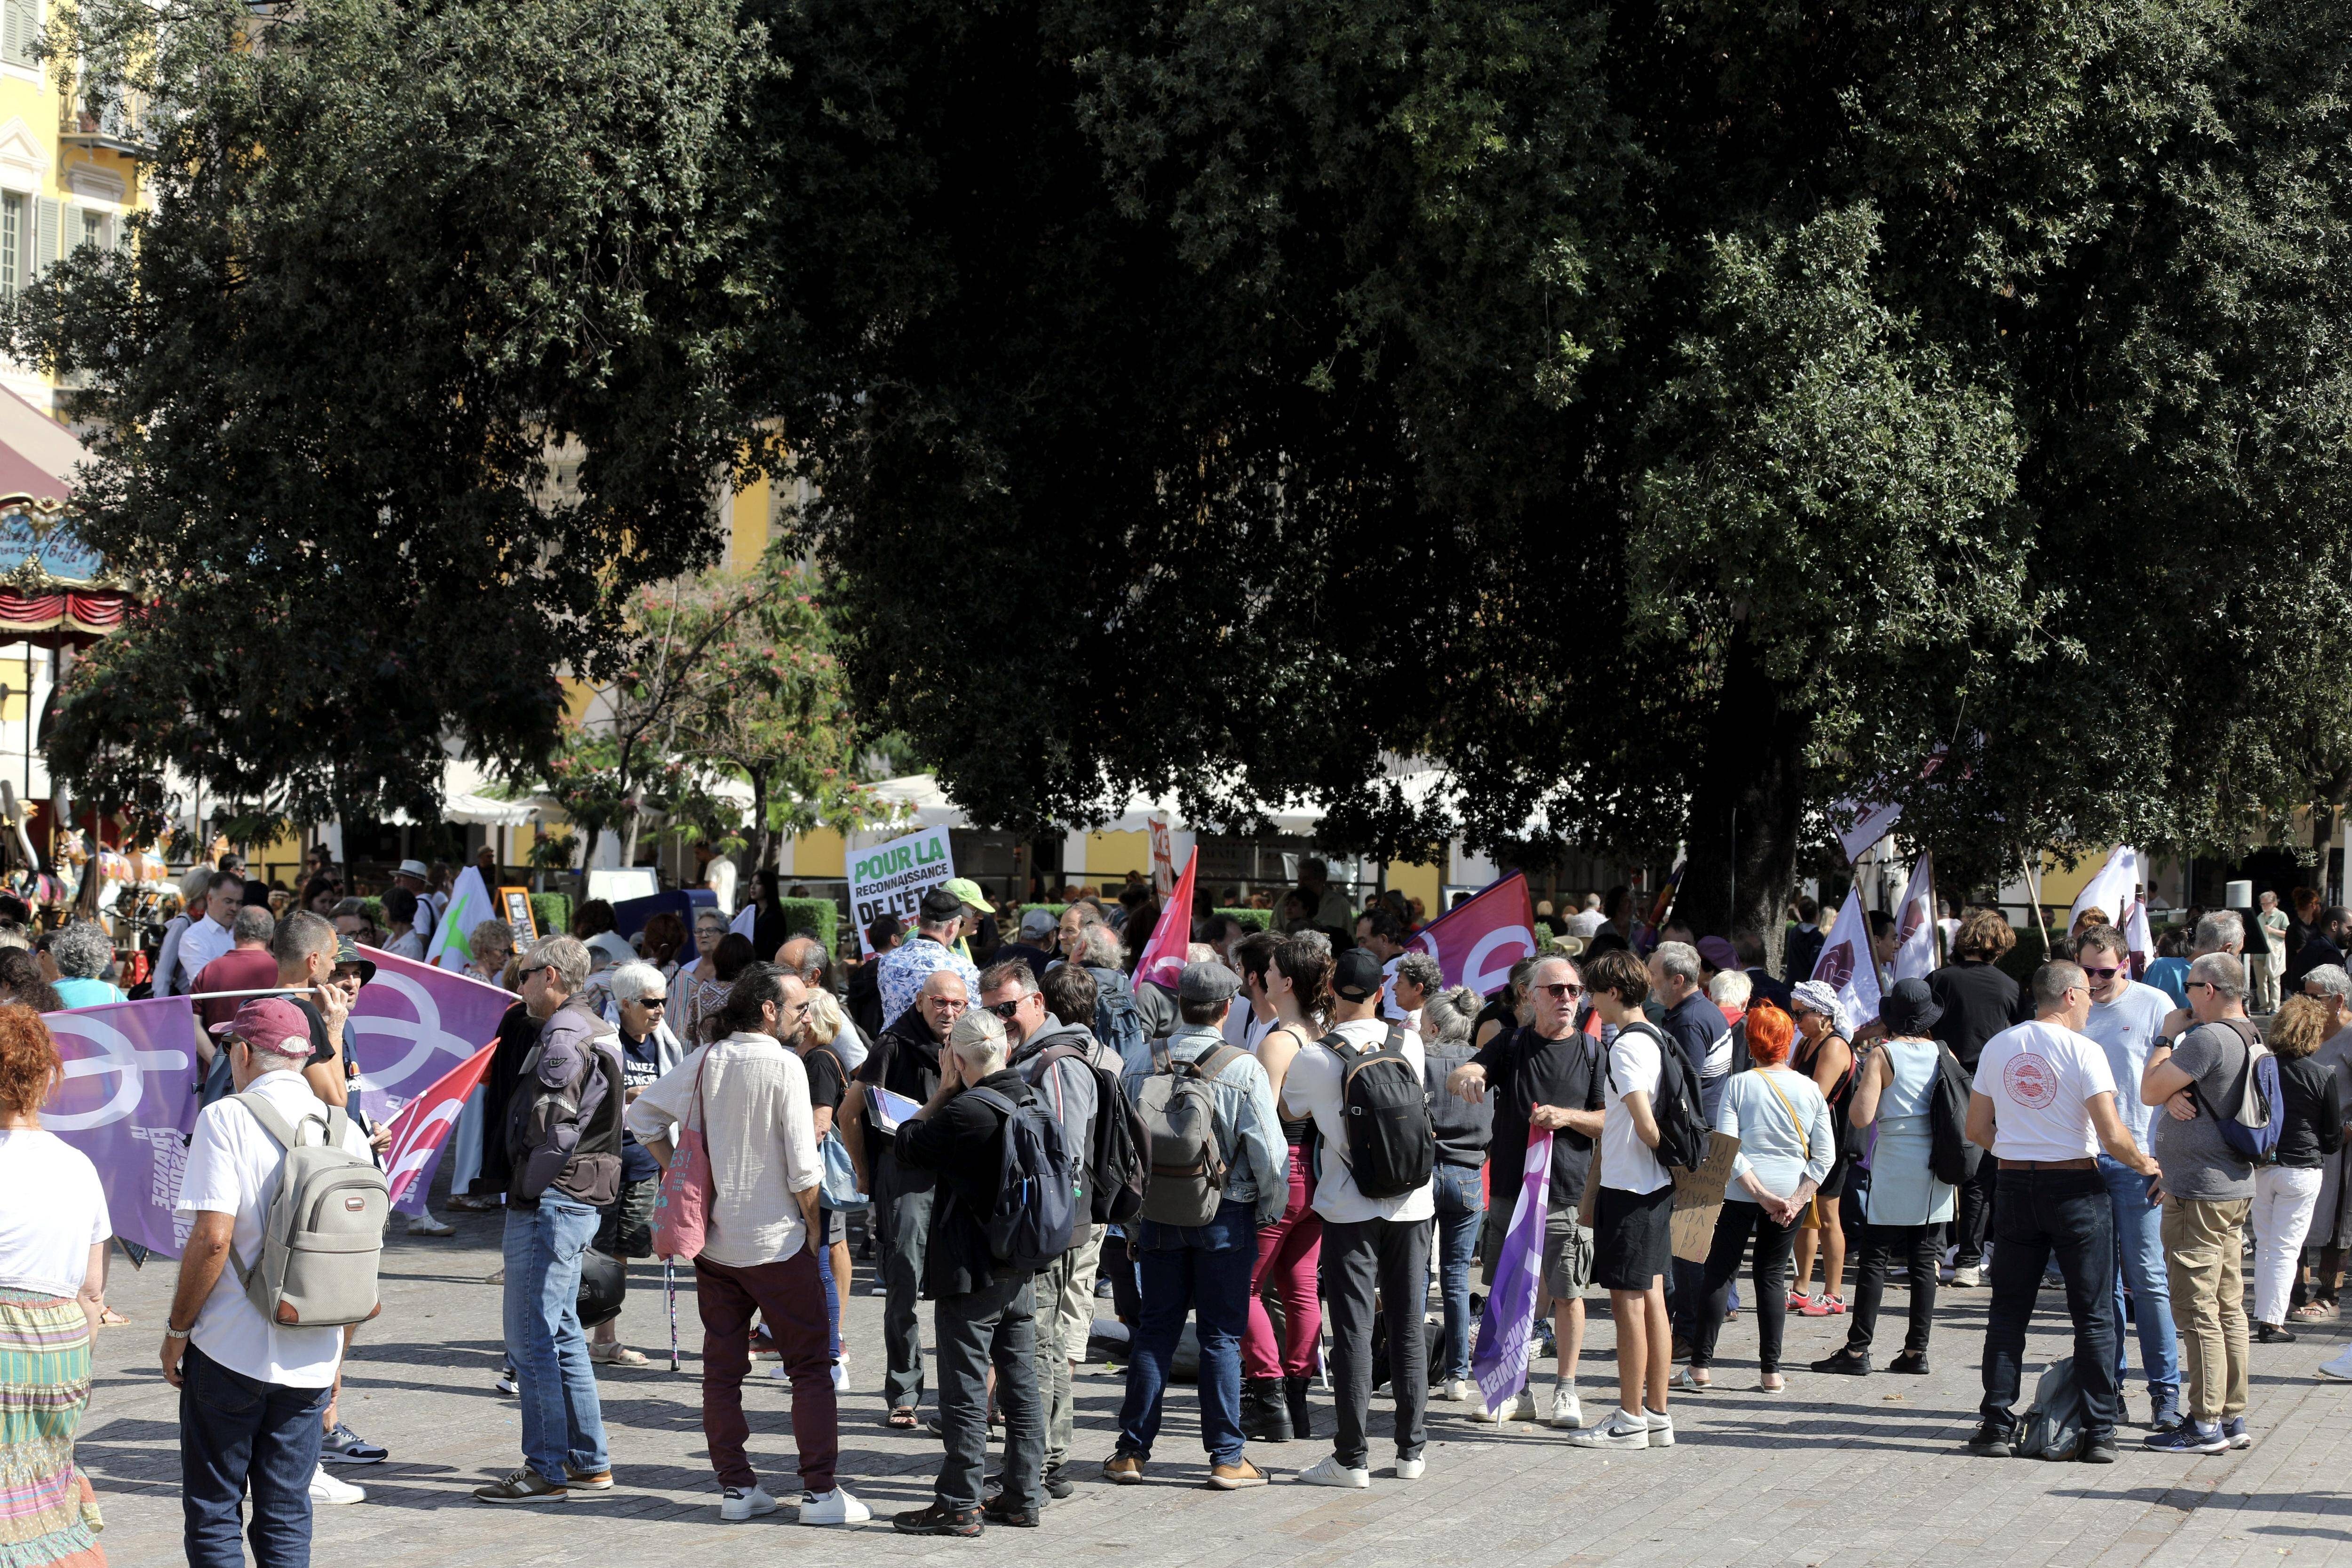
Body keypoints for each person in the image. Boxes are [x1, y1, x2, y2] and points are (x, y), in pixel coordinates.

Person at [628, 965, 869, 1526]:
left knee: (722, 1371)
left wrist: (678, 1170)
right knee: (811, 1367)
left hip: (715, 1243)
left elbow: (641, 1116)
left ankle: (737, 1488)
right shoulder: (782, 1064)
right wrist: (814, 1231)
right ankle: (819, 1494)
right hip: (776, 1240)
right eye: (799, 1008)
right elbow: (803, 1169)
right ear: (768, 1009)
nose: (805, 1018)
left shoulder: (708, 1057)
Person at [167, 997, 378, 1558]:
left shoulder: (226, 1118)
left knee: (214, 1508)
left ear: (241, 1054)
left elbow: (213, 1239)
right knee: (287, 1511)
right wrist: (339, 1355)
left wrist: (177, 1331)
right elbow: (358, 1262)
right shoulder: (348, 1132)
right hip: (314, 1347)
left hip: (230, 1342)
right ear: (304, 1057)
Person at [1964, 960, 2158, 1463]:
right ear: (2070, 995)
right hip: (2074, 1185)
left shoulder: (1999, 1045)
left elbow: (1976, 1128)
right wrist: (2146, 1164)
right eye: (2088, 992)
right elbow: (2112, 1134)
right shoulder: (2084, 1050)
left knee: (2008, 1311)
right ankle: (2099, 1431)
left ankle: (1995, 1424)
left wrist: (2017, 1148)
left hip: (2014, 1183)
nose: (2092, 1000)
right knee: (2093, 1313)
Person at [1101, 961, 1284, 1491]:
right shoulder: (1242, 1067)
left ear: (1179, 1003)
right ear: (1227, 1008)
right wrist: (1267, 1211)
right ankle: (1226, 1458)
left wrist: (1133, 1224)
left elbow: (1126, 1150)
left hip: (1159, 1213)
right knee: (1220, 1336)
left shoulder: (1142, 1060)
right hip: (1225, 1212)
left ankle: (1130, 1453)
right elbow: (1270, 1154)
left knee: (1155, 1330)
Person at [475, 935, 621, 1504]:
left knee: (532, 1335)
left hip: (553, 1199)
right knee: (559, 1331)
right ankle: (587, 1460)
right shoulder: (593, 1025)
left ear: (551, 976)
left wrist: (529, 1187)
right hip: (576, 1195)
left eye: (525, 974)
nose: (519, 984)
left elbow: (554, 1131)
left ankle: (545, 1469)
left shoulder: (564, 1034)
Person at [1282, 948, 1436, 1486]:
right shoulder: (1408, 1043)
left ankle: (1351, 1458)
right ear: (1380, 992)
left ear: (1330, 993)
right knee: (1407, 1325)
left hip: (1349, 1205)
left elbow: (1290, 1109)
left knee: (1352, 1328)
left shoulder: (1315, 1057)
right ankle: (1411, 1453)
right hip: (1412, 1202)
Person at [889, 1010, 1046, 1536]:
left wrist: (942, 1091)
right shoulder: (1032, 1100)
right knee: (1021, 1383)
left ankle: (959, 1503)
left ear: (955, 1057)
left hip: (970, 1269)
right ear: (1005, 1048)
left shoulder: (965, 1111)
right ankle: (1023, 1495)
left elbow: (907, 1143)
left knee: (964, 1388)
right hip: (1020, 1262)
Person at [1446, 953, 1602, 1426]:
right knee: (1510, 1292)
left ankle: (1566, 1391)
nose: (1567, 998)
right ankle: (1517, 1391)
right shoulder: (1511, 1043)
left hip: (1565, 1194)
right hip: (1510, 1193)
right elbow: (1461, 1074)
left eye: (1574, 990)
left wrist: (1566, 1117)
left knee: (1567, 1294)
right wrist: (1469, 1076)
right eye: (1556, 990)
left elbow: (1610, 1119)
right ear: (1530, 996)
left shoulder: (1593, 1051)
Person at [984, 958, 1100, 1498]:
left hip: (1049, 1229)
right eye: (991, 1011)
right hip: (1041, 1226)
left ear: (1037, 1002)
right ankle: (1043, 1460)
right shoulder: (1031, 1056)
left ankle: (1042, 1462)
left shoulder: (1056, 1063)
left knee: (1037, 1345)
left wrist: (1043, 1227)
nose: (1000, 1019)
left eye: (1007, 1008)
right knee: (1038, 1344)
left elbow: (1064, 1161)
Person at [0, 1006, 109, 1568]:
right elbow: (92, 1291)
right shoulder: (78, 1166)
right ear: (46, 1078)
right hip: (63, 1345)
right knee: (45, 1493)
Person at [2140, 951, 2260, 1455]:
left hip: (2199, 1193)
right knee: (2228, 1306)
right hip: (2230, 1187)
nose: (2184, 996)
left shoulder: (2207, 1038)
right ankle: (2230, 1416)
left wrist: (2165, 1037)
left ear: (2208, 990)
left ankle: (2204, 1423)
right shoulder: (2249, 1032)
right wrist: (2175, 1093)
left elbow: (2149, 1088)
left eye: (2189, 986)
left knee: (2196, 1310)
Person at [1685, 1001, 1829, 1392]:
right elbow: (1825, 1156)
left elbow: (1727, 1147)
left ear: (1751, 1043)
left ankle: (1700, 1367)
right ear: (1788, 1041)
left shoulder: (1739, 1084)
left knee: (1720, 1272)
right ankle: (1772, 1372)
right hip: (1790, 1191)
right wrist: (1795, 1199)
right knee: (1772, 1276)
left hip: (1741, 1190)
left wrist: (1761, 1194)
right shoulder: (1810, 1088)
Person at [1814, 979, 1955, 1377]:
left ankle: (1858, 1349)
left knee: (1875, 1257)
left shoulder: (1883, 1055)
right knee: (1924, 1260)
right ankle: (1916, 1350)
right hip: (1936, 1166)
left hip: (1895, 1161)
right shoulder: (1944, 1052)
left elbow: (1861, 1117)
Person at [2073, 923, 2184, 1429]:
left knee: (2149, 1280)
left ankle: (2165, 1394)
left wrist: (2167, 1160)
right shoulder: (2074, 1006)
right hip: (2085, 1159)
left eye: (2103, 972)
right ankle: (2109, 1389)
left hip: (2140, 1161)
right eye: (2086, 971)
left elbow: (2183, 1077)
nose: (2094, 981)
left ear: (2125, 964)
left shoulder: (2154, 1004)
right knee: (2102, 1285)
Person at [847, 966, 967, 1429]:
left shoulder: (969, 1041)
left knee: (959, 1286)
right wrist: (865, 1173)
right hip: (905, 1174)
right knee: (903, 1283)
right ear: (920, 1001)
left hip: (954, 1175)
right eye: (939, 1002)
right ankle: (903, 1392)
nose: (948, 1011)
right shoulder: (893, 1043)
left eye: (957, 1004)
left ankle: (961, 1396)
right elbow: (849, 1111)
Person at [1567, 947, 1676, 1452]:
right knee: (1651, 1300)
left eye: (1592, 991)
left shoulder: (1627, 1046)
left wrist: (1664, 1154)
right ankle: (1656, 1414)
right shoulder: (1656, 1036)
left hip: (1632, 1189)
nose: (1589, 1000)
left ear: (1613, 992)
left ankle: (1630, 1418)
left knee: (1628, 1305)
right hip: (1646, 1188)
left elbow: (1645, 1126)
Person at [1234, 934, 1326, 1442]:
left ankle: (1269, 1396)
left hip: (1284, 1171)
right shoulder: (1323, 1033)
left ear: (1287, 982)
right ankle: (1297, 1400)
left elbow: (1262, 1122)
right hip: (1318, 1174)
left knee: (1241, 1286)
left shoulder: (1279, 1040)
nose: (1263, 975)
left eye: (1270, 969)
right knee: (1300, 1287)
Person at [588, 961, 685, 1366]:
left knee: (623, 1252)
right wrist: (627, 1094)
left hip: (645, 1163)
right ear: (625, 1003)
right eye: (650, 1002)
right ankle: (577, 1335)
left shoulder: (666, 1043)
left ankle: (604, 1339)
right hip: (603, 1161)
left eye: (663, 1000)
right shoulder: (603, 1040)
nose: (660, 1009)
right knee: (594, 1252)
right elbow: (585, 1094)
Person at [1931, 909, 2023, 1287]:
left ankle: (1931, 1255)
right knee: (1980, 1177)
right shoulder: (2010, 987)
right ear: (2000, 947)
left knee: (1936, 1168)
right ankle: (1969, 1260)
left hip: (1941, 1082)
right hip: (1989, 1087)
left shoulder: (1940, 979)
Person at [2250, 995, 2341, 1343]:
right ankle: (2272, 1322)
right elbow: (2331, 1138)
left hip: (2263, 1164)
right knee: (2287, 1247)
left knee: (2266, 1244)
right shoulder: (2322, 1075)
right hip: (2303, 1168)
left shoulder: (2261, 1068)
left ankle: (2264, 1313)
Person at [1420, 984, 1491, 1404]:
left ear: (1433, 1025)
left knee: (1417, 1275)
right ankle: (1457, 1374)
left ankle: (1412, 1368)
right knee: (1457, 1278)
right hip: (1468, 1173)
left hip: (1423, 1173)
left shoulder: (1420, 1059)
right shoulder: (1483, 1064)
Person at [796, 987, 865, 1390]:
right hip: (814, 1174)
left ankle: (833, 1355)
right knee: (817, 1257)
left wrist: (793, 1162)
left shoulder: (820, 1059)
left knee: (822, 1258)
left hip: (816, 1175)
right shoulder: (814, 1057)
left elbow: (820, 1124)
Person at [1783, 980, 1855, 1314]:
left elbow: (1815, 1097)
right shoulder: (1806, 1042)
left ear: (1824, 1014)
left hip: (1830, 1143)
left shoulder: (1835, 1046)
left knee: (1827, 1216)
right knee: (1803, 1213)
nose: (1796, 1020)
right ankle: (1801, 1288)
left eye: (1801, 1014)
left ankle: (1834, 1294)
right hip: (1807, 1140)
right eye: (1794, 1013)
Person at [877, 887, 984, 1030]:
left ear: (920, 920)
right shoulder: (963, 969)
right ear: (952, 927)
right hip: (937, 1044)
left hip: (890, 1042)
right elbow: (974, 1019)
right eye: (961, 925)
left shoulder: (887, 962)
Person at [192, 904, 278, 1035]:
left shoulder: (210, 970)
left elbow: (193, 1022)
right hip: (270, 1049)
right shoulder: (281, 971)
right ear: (270, 937)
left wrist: (214, 1050)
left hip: (220, 1046)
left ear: (235, 933)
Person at [149, 865, 221, 999]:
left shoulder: (215, 923)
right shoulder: (182, 924)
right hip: (183, 1000)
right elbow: (164, 971)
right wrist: (162, 1005)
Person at [174, 871, 245, 996]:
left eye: (239, 903)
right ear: (210, 899)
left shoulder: (244, 932)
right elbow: (206, 983)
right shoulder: (193, 937)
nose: (234, 908)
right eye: (228, 901)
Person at [48, 922, 124, 1009]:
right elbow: (131, 1015)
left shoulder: (47, 991)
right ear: (103, 957)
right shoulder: (112, 992)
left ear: (60, 955)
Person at [2287, 906, 2352, 993]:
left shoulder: (2312, 946)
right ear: (2334, 925)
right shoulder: (2329, 954)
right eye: (2349, 928)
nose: (2351, 934)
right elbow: (2334, 995)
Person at [2254, 890, 2289, 1014]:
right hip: (2260, 953)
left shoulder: (2281, 916)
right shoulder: (2260, 917)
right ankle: (2264, 1007)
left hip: (2275, 953)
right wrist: (2253, 954)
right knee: (2261, 982)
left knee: (2275, 981)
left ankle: (2275, 1007)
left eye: (2266, 904)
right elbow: (2257, 936)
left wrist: (2272, 931)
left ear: (2274, 903)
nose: (2264, 906)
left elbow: (2288, 934)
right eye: (2262, 904)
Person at [380, 888, 427, 961]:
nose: (381, 913)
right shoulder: (393, 937)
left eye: (385, 909)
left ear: (395, 911)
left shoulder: (412, 947)